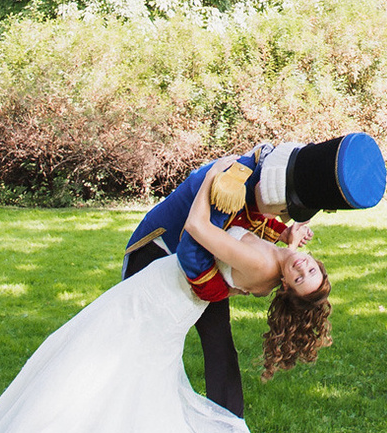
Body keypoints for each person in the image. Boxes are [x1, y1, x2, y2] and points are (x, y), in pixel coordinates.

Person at [0, 158, 335, 433]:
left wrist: (210, 178)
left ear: (286, 288)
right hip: (166, 297)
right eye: (312, 269)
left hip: (157, 299)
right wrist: (287, 235)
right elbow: (255, 238)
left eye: (302, 278)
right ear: (314, 260)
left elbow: (198, 229)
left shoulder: (264, 266)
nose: (304, 268)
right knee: (124, 371)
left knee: (97, 360)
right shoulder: (280, 262)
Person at [122, 143, 315, 417]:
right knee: (147, 343)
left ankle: (226, 427)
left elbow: (226, 225)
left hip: (196, 266)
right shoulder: (233, 182)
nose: (282, 213)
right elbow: (229, 225)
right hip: (156, 253)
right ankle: (220, 425)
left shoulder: (244, 186)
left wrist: (211, 175)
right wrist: (284, 237)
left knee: (212, 345)